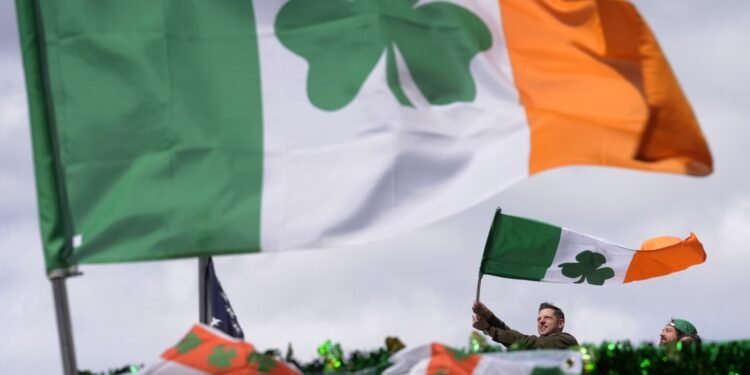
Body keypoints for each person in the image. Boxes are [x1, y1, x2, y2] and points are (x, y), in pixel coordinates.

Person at [472, 301, 578, 349]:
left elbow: (526, 343)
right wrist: (488, 316)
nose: (541, 321)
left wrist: (488, 328)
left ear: (560, 323)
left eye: (547, 318)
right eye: (539, 319)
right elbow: (513, 337)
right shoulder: (538, 345)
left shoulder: (566, 340)